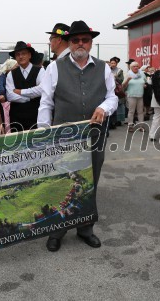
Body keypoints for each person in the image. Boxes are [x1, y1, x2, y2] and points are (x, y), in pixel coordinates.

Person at [38, 20, 118, 252]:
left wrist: (104, 108)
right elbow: (46, 102)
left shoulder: (103, 67)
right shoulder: (55, 67)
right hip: (65, 138)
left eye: (84, 40)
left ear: (91, 43)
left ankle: (85, 229)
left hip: (94, 136)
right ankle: (57, 231)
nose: (80, 44)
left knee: (89, 182)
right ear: (69, 43)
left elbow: (112, 96)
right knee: (63, 182)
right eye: (75, 40)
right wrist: (45, 132)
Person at [6, 41, 44, 132]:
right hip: (16, 118)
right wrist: (30, 98)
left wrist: (21, 92)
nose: (21, 56)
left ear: (29, 55)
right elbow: (10, 95)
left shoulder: (40, 71)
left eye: (23, 53)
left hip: (36, 116)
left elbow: (42, 90)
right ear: (15, 57)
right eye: (18, 54)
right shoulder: (11, 74)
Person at [123, 61, 147, 131]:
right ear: (131, 67)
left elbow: (145, 82)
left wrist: (145, 85)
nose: (136, 67)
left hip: (140, 95)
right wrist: (127, 80)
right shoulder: (128, 74)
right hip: (131, 95)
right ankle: (130, 125)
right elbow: (123, 86)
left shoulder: (142, 74)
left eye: (137, 66)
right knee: (131, 111)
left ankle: (141, 126)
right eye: (134, 66)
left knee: (140, 111)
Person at [109, 56, 125, 126]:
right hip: (110, 89)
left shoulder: (119, 71)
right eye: (111, 63)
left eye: (114, 63)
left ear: (116, 63)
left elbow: (121, 80)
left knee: (119, 104)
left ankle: (119, 120)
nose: (112, 64)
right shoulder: (107, 70)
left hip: (117, 89)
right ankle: (112, 120)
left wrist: (116, 77)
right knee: (111, 104)